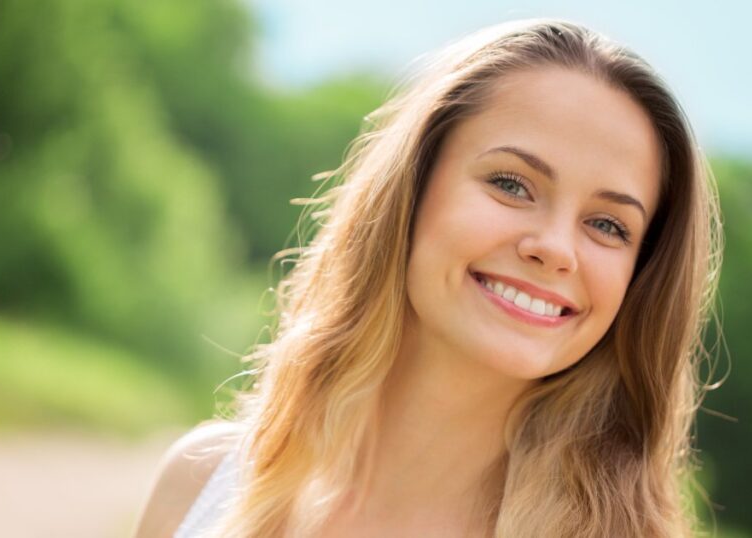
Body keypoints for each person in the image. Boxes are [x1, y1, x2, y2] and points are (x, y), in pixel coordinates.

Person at [134, 17, 722, 538]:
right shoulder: (200, 483)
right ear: (411, 189)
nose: (555, 249)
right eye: (512, 184)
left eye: (607, 225)